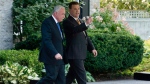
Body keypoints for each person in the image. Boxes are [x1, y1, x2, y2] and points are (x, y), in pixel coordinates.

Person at [62, 1, 98, 84]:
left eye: (78, 9)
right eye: (75, 9)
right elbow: (75, 30)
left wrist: (92, 48)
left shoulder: (81, 21)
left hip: (80, 54)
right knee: (82, 78)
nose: (77, 11)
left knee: (70, 76)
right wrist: (86, 24)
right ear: (69, 10)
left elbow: (86, 37)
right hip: (74, 55)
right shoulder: (67, 22)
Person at [37, 5, 66, 84]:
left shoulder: (58, 24)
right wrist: (55, 53)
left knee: (61, 80)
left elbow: (59, 40)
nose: (64, 16)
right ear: (56, 13)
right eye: (62, 14)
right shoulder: (47, 22)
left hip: (59, 57)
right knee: (51, 77)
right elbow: (47, 40)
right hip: (51, 56)